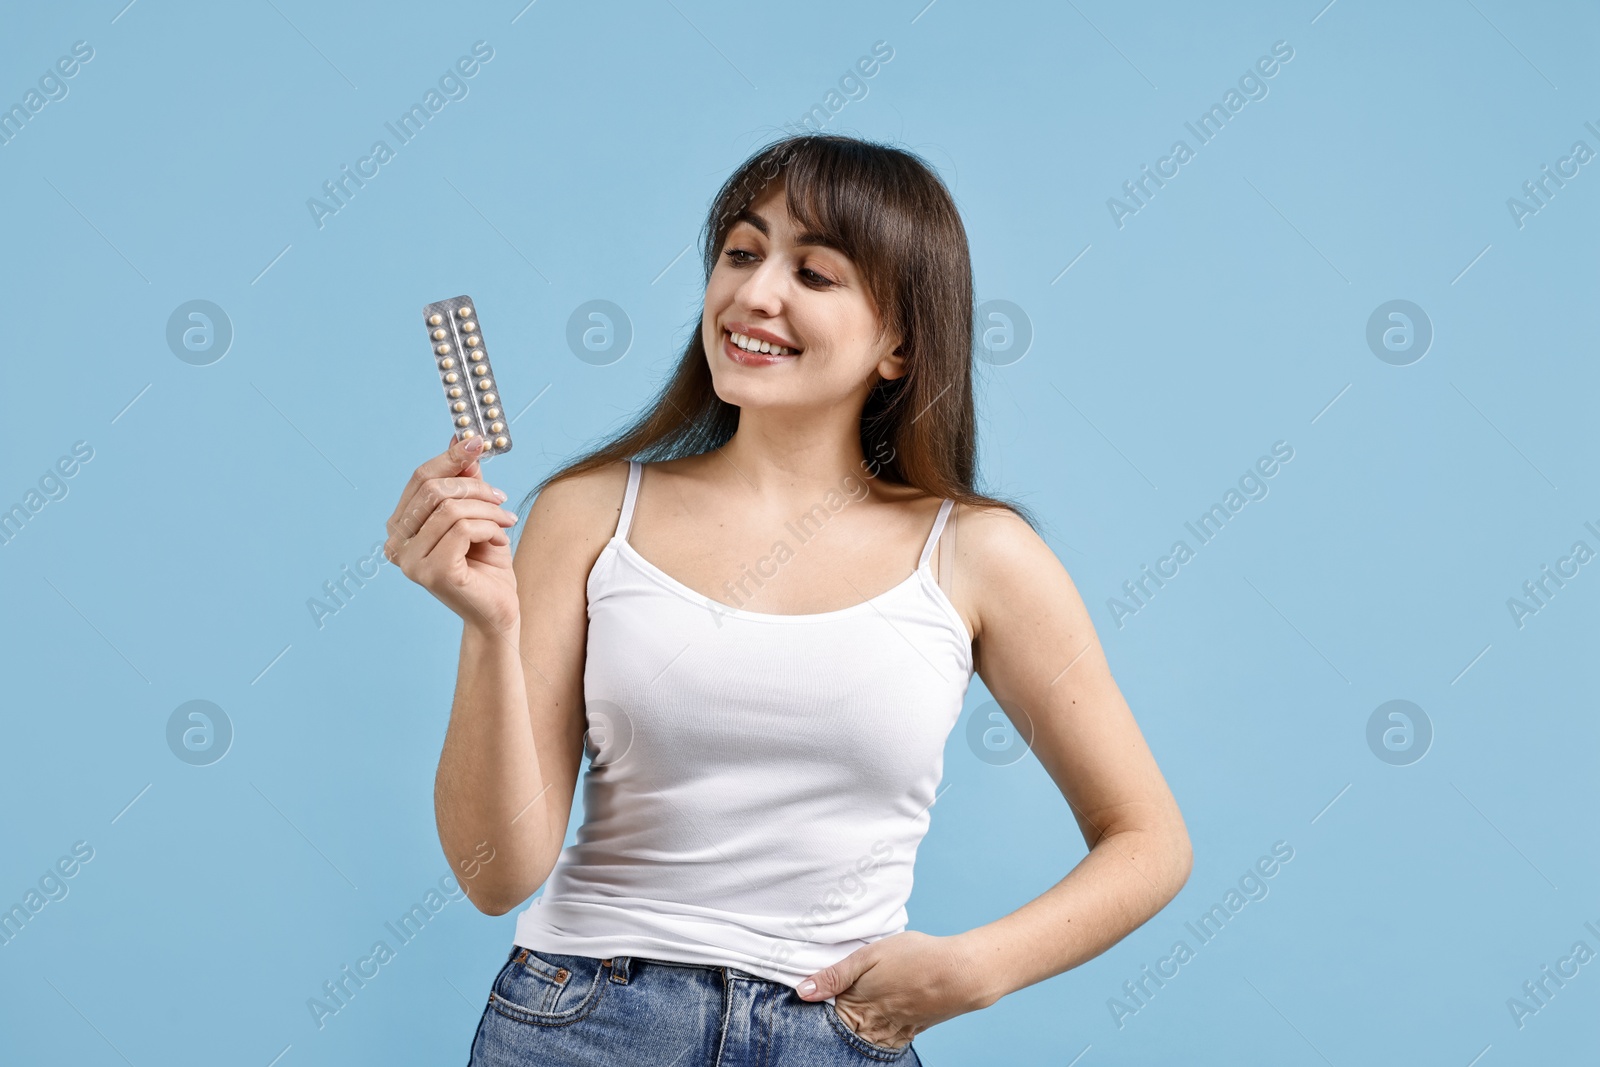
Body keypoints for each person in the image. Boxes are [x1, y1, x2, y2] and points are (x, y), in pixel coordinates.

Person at [384, 132, 1192, 1065]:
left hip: (837, 1034)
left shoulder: (979, 553)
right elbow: (495, 877)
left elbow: (1150, 839)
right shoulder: (589, 511)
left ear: (897, 344)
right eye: (740, 252)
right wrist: (489, 627)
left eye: (815, 273)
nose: (755, 293)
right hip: (584, 1022)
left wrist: (973, 971)